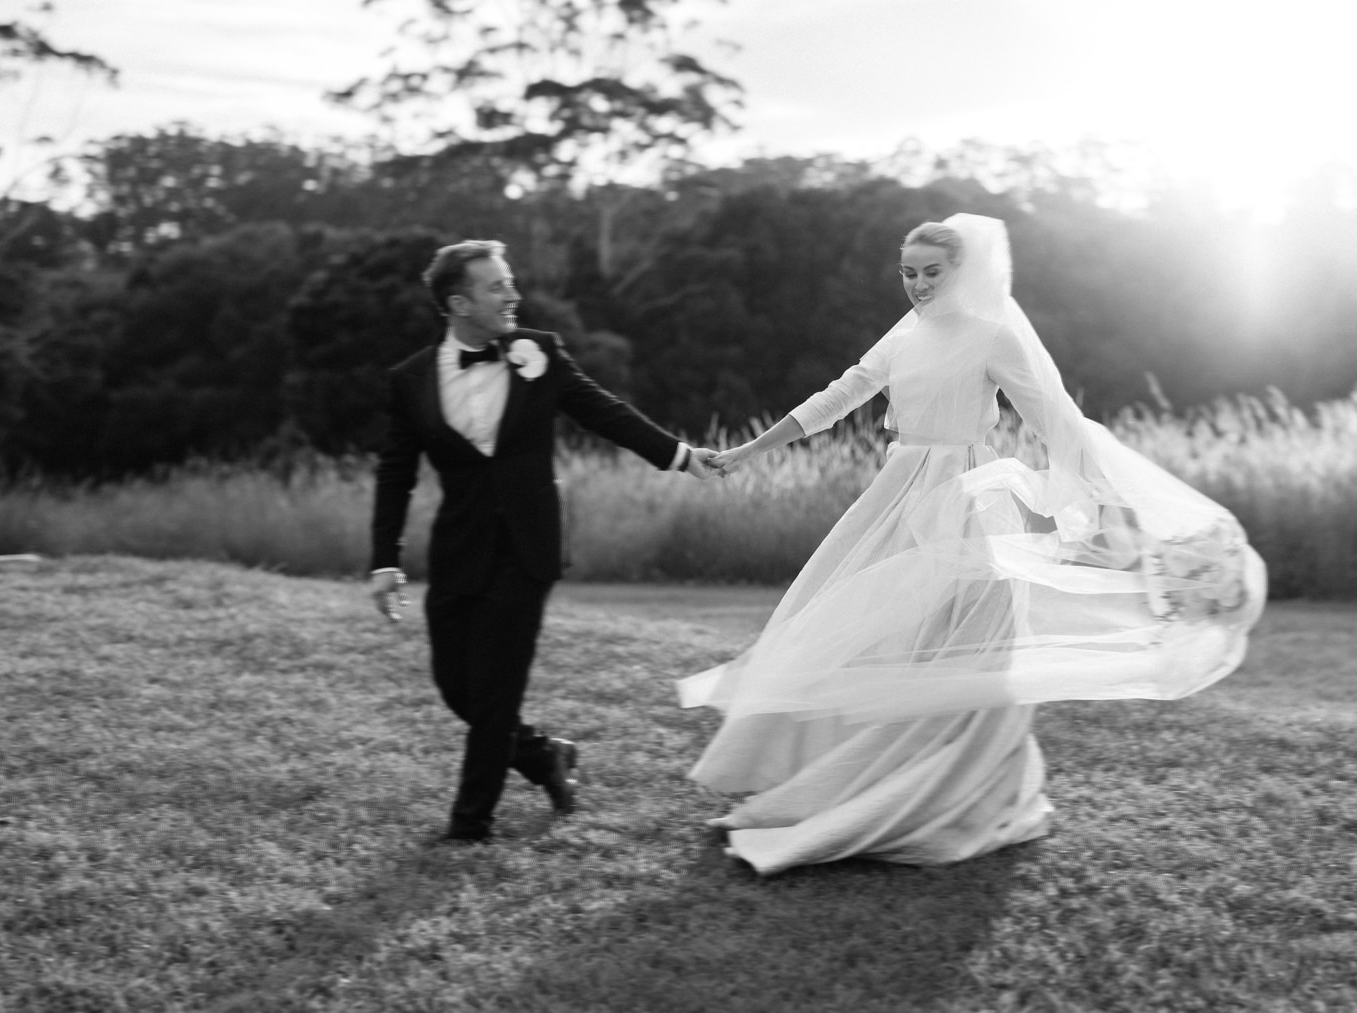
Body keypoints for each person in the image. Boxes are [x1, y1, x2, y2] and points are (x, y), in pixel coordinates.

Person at [680, 213, 1265, 875]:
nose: (920, 284)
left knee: (976, 640)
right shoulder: (904, 338)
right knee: (870, 629)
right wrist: (750, 450)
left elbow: (1057, 422)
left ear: (961, 271)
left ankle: (966, 790)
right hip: (900, 494)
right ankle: (846, 777)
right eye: (909, 271)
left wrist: (1114, 503)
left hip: (968, 494)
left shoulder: (992, 336)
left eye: (933, 271)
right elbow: (838, 397)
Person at [370, 239, 719, 843]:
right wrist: (384, 560)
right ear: (458, 303)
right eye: (497, 287)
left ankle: (469, 824)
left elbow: (603, 411)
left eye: (510, 283)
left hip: (527, 547)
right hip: (459, 549)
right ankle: (542, 756)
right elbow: (396, 474)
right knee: (458, 688)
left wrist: (682, 456)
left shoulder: (539, 353)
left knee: (497, 688)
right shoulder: (409, 380)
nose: (514, 296)